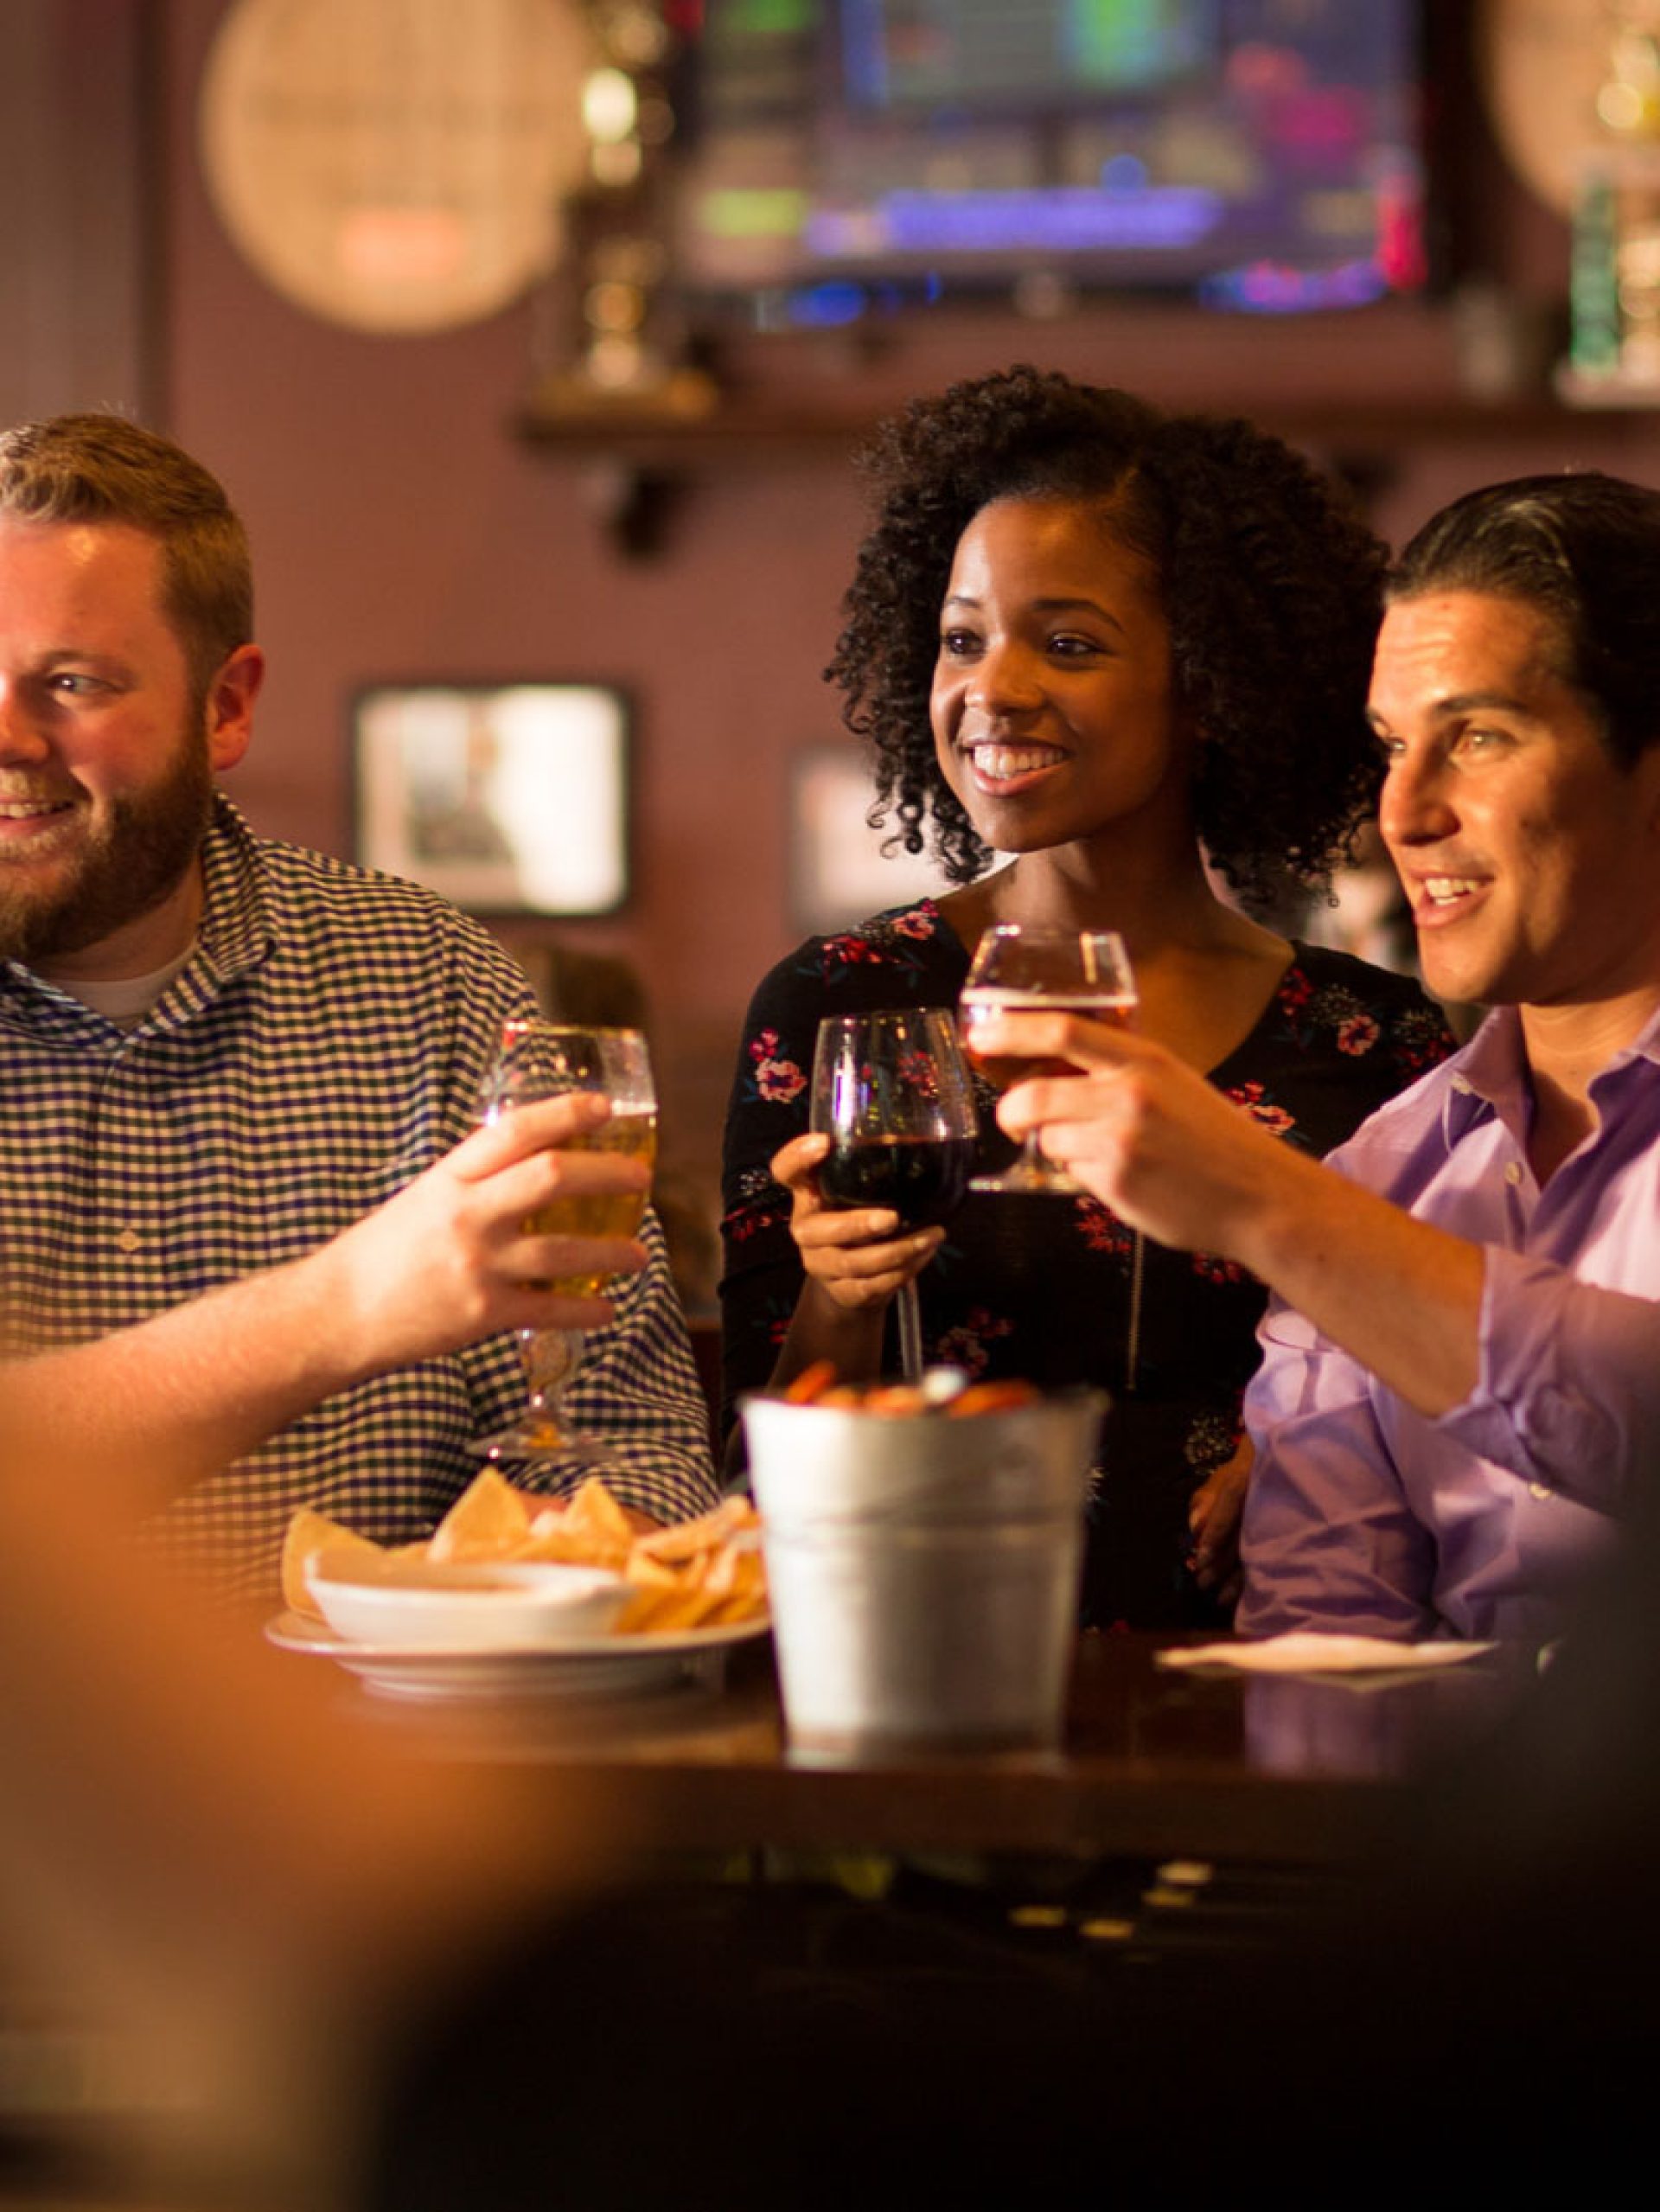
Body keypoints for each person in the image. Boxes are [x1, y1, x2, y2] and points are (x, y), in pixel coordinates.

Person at [721, 367, 1451, 1628]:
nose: (990, 687)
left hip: (1281, 1677)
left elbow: (1467, 1401)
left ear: (1211, 683)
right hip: (930, 1667)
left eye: (1067, 642)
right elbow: (755, 1476)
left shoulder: (1377, 1041)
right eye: (962, 636)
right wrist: (841, 1293)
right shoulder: (844, 1005)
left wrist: (1330, 1452)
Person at [0, 412, 716, 1596]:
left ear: (227, 707)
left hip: (399, 1758)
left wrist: (564, 1559)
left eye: (71, 682)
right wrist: (350, 1301)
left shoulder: (431, 983)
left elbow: (634, 1445)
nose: (10, 734)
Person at [989, 470, 1660, 1645]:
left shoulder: (1327, 1209)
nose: (1402, 811)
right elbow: (1325, 1640)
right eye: (1394, 745)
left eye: (1480, 736)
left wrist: (1268, 1204)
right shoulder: (1388, 1166)